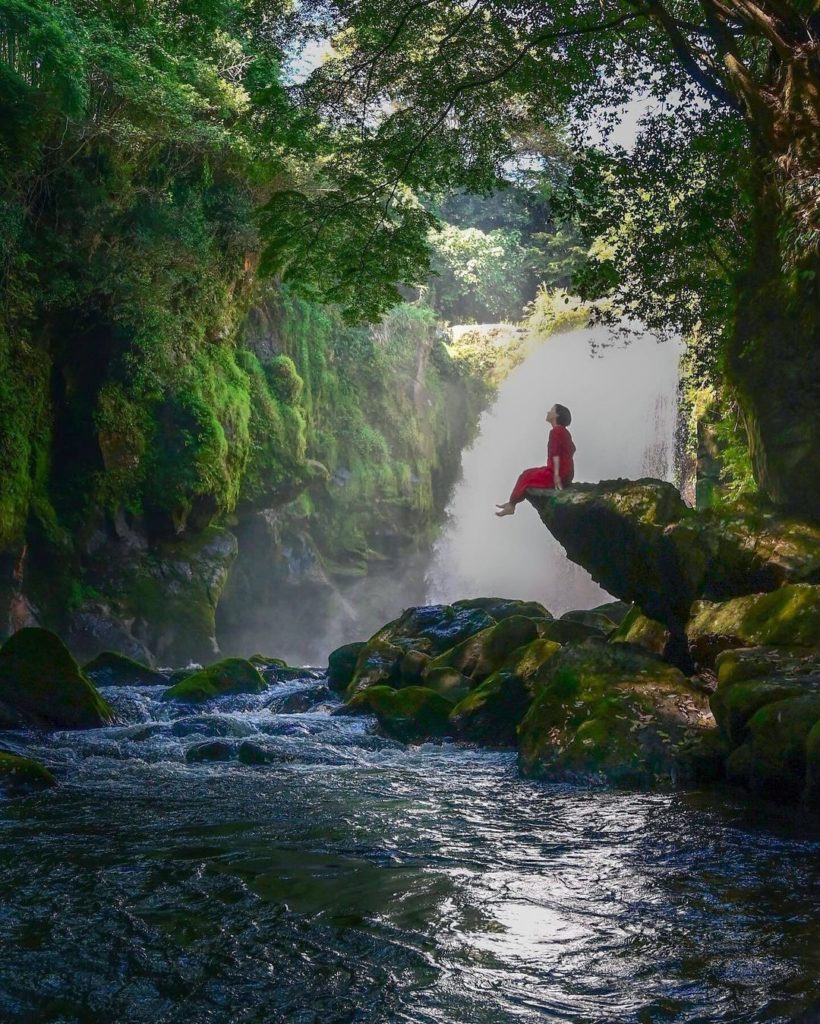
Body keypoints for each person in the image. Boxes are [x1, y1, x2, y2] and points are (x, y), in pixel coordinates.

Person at [495, 403, 575, 516]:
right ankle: (511, 503)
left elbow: (556, 453)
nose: (548, 412)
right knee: (530, 475)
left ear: (556, 415)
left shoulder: (556, 431)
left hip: (557, 474)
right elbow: (572, 449)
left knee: (526, 476)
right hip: (567, 475)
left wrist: (556, 475)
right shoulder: (565, 432)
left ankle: (511, 505)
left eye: (551, 410)